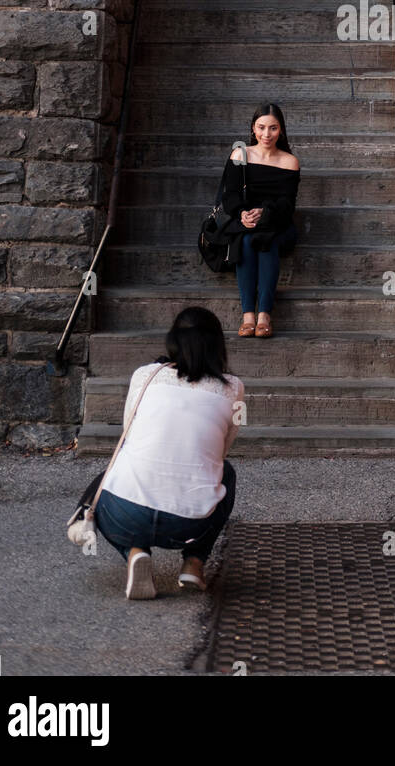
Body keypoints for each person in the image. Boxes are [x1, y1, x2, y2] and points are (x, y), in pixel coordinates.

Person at [95, 307, 244, 600]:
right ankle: (194, 563)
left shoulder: (145, 376)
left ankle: (134, 551)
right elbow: (222, 450)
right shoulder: (234, 389)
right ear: (218, 345)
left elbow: (128, 433)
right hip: (189, 523)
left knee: (112, 477)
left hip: (126, 513)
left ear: (173, 340)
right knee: (226, 472)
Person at [220, 102, 300, 340]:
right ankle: (248, 316)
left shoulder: (289, 161)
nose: (267, 134)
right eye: (261, 127)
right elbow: (230, 195)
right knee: (247, 241)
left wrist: (265, 213)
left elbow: (287, 205)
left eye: (273, 128)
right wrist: (242, 213)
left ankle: (264, 314)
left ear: (281, 130)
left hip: (278, 224)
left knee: (265, 240)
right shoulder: (240, 154)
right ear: (253, 129)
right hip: (246, 224)